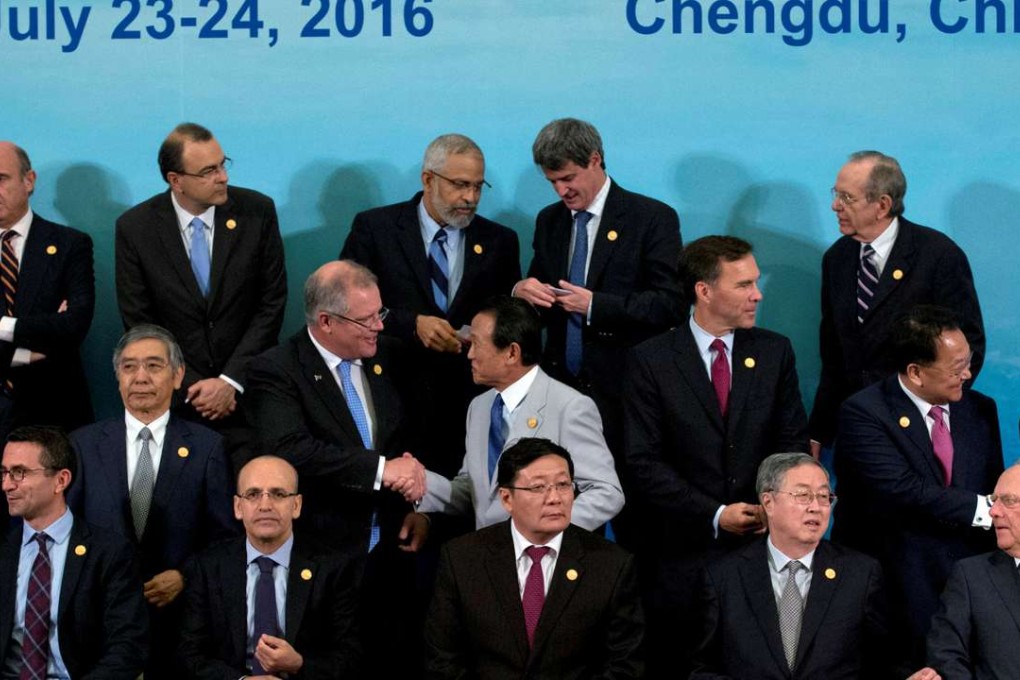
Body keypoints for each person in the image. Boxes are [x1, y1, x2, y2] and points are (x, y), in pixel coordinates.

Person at [622, 235, 809, 678]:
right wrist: (715, 513)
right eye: (744, 284)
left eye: (756, 282)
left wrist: (771, 504)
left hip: (760, 551)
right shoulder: (650, 360)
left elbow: (792, 443)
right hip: (678, 555)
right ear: (704, 291)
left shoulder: (773, 351)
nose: (757, 294)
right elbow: (641, 461)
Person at [246, 259, 427, 672]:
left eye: (379, 313)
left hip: (390, 559)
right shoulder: (277, 370)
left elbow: (405, 442)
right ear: (326, 321)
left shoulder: (389, 358)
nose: (379, 326)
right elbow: (290, 450)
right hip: (322, 563)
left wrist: (417, 509)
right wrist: (382, 470)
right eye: (366, 319)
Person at [512, 118, 683, 494]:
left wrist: (596, 306)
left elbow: (670, 304)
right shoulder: (549, 221)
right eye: (552, 182)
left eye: (568, 178)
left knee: (632, 519)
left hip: (627, 396)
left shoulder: (651, 218)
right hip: (559, 396)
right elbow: (541, 298)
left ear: (595, 160)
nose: (561, 190)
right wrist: (523, 292)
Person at [341, 133, 521, 478]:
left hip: (468, 406)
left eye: (479, 187)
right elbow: (347, 307)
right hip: (392, 397)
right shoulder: (375, 229)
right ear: (428, 179)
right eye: (460, 185)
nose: (470, 198)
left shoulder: (500, 241)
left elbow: (506, 319)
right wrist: (411, 324)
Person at [834, 305, 1002, 672]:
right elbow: (901, 488)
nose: (968, 374)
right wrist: (986, 510)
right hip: (898, 587)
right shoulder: (863, 413)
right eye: (956, 368)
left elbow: (993, 482)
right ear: (916, 372)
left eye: (968, 362)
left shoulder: (980, 410)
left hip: (967, 584)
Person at [67, 324, 237, 678]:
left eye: (153, 366)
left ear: (178, 377)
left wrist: (183, 576)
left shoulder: (208, 448)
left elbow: (225, 539)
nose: (140, 377)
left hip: (179, 626)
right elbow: (70, 529)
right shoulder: (82, 445)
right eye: (129, 367)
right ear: (117, 378)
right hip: (99, 626)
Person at [115, 122, 287, 468]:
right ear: (175, 180)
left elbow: (271, 303)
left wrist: (229, 381)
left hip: (249, 395)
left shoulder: (257, 212)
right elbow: (140, 321)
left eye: (223, 165)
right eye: (209, 171)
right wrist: (193, 384)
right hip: (178, 401)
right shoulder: (136, 228)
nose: (222, 177)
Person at [809, 151, 985, 455]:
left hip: (920, 434)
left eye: (847, 198)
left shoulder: (938, 256)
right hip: (857, 431)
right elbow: (834, 357)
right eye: (836, 194)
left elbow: (968, 347)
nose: (835, 205)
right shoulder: (836, 260)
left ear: (882, 205)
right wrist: (819, 433)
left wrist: (930, 416)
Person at [425, 438, 643, 679]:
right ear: (507, 498)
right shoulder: (462, 559)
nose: (555, 498)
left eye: (563, 484)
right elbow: (443, 661)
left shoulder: (610, 565)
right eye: (538, 487)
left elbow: (624, 666)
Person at [419, 295, 623, 531]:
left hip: (546, 560)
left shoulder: (570, 407)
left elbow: (607, 493)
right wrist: (423, 483)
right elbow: (475, 490)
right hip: (490, 557)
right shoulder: (479, 407)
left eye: (476, 344)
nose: (469, 354)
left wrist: (540, 531)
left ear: (512, 353)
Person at [691, 452, 894, 679]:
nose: (816, 507)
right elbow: (701, 670)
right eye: (803, 495)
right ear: (768, 502)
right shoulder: (723, 577)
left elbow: (883, 666)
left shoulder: (861, 574)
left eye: (824, 496)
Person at [179, 455, 360, 679]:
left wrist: (299, 664)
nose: (265, 505)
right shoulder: (207, 567)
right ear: (238, 506)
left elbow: (351, 656)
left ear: (296, 505)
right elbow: (190, 654)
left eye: (278, 494)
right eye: (253, 494)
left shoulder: (332, 568)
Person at [0, 426, 148, 679]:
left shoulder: (109, 553)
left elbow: (128, 648)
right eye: (4, 472)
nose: (6, 485)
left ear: (61, 480)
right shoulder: (4, 549)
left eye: (19, 473)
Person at [0, 141, 94, 440]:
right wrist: (23, 355)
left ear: (29, 181)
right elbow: (57, 328)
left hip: (53, 412)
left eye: (1, 179)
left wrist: (3, 326)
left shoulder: (70, 245)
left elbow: (74, 325)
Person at [926, 464, 1020, 679]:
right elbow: (946, 657)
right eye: (993, 500)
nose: (993, 511)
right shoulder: (971, 577)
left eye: (1008, 501)